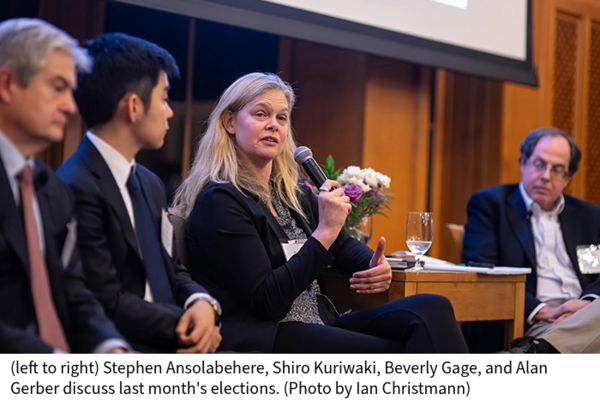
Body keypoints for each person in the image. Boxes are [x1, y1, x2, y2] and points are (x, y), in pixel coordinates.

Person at [171, 72, 468, 353]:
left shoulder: (291, 191)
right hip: (267, 333)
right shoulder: (221, 199)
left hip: (318, 321)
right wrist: (323, 231)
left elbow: (338, 244)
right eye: (261, 114)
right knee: (399, 353)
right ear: (230, 122)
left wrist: (373, 265)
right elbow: (266, 301)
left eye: (282, 117)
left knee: (433, 308)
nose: (274, 125)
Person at [57, 33, 221, 353]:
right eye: (163, 98)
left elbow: (173, 268)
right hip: (124, 347)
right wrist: (185, 324)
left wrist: (201, 302)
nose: (169, 111)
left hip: (174, 337)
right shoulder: (75, 185)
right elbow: (106, 299)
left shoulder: (149, 182)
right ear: (134, 106)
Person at [0, 18, 129, 353]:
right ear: (6, 84)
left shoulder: (50, 188)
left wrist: (110, 347)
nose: (71, 107)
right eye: (58, 87)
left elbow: (71, 287)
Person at [463, 127, 600, 352]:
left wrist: (586, 305)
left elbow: (596, 274)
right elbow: (484, 274)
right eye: (539, 164)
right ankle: (537, 348)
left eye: (557, 169)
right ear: (523, 163)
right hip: (532, 322)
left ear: (568, 177)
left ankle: (535, 353)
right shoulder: (491, 206)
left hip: (586, 319)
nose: (545, 176)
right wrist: (543, 311)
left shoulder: (588, 217)